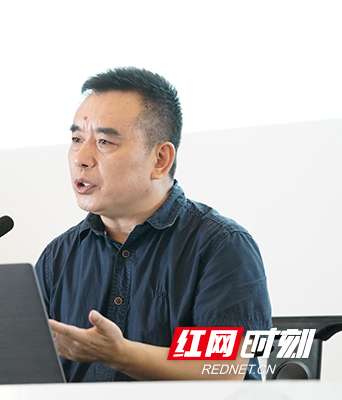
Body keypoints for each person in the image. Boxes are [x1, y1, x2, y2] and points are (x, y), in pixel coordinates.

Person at [34, 67, 271, 381]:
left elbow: (225, 369)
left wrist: (120, 354)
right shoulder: (58, 257)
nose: (81, 157)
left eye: (104, 141)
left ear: (160, 159)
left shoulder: (220, 246)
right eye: (77, 139)